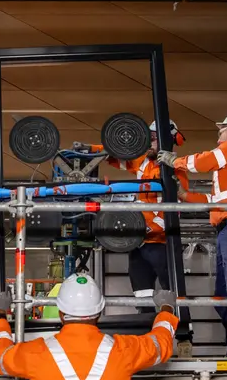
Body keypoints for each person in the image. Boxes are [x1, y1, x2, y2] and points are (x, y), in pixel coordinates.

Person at [0, 274, 178, 380]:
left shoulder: (38, 353)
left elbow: (1, 358)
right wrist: (167, 308)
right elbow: (160, 344)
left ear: (61, 313)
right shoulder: (123, 351)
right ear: (99, 311)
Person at [155, 111, 227, 358]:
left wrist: (176, 161)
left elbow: (203, 162)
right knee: (225, 293)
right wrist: (185, 196)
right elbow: (215, 200)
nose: (219, 131)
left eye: (223, 127)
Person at [73, 120, 190, 313]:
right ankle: (147, 331)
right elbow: (117, 153)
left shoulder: (175, 168)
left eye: (153, 139)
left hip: (163, 242)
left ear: (167, 141)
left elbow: (174, 205)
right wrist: (90, 149)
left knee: (174, 292)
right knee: (142, 294)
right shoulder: (143, 161)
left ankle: (184, 334)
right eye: (148, 139)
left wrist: (147, 225)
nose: (148, 143)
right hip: (140, 242)